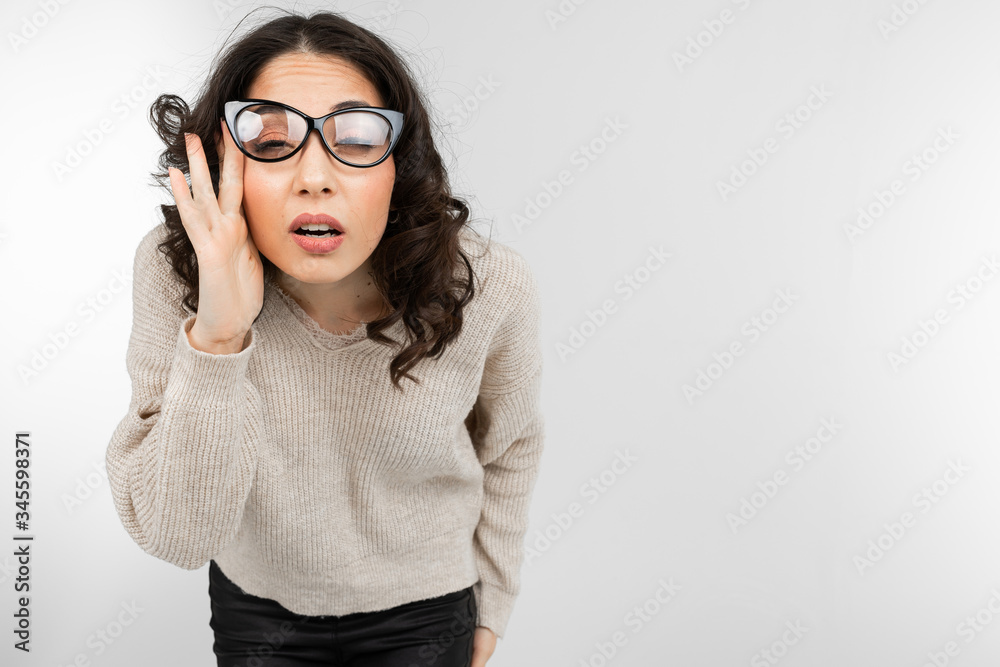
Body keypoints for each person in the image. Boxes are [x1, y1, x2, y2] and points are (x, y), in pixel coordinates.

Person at [104, 9, 545, 666]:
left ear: (400, 163)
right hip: (258, 611)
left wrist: (496, 599)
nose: (314, 176)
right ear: (223, 160)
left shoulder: (491, 284)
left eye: (359, 138)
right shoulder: (175, 270)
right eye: (270, 139)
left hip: (427, 614)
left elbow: (509, 446)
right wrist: (219, 331)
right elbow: (178, 535)